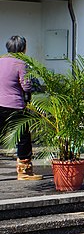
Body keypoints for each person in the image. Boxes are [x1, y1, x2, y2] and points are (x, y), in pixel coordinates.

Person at [0, 35, 41, 180]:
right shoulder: (20, 63)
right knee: (23, 137)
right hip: (15, 105)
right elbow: (26, 85)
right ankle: (24, 172)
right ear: (23, 48)